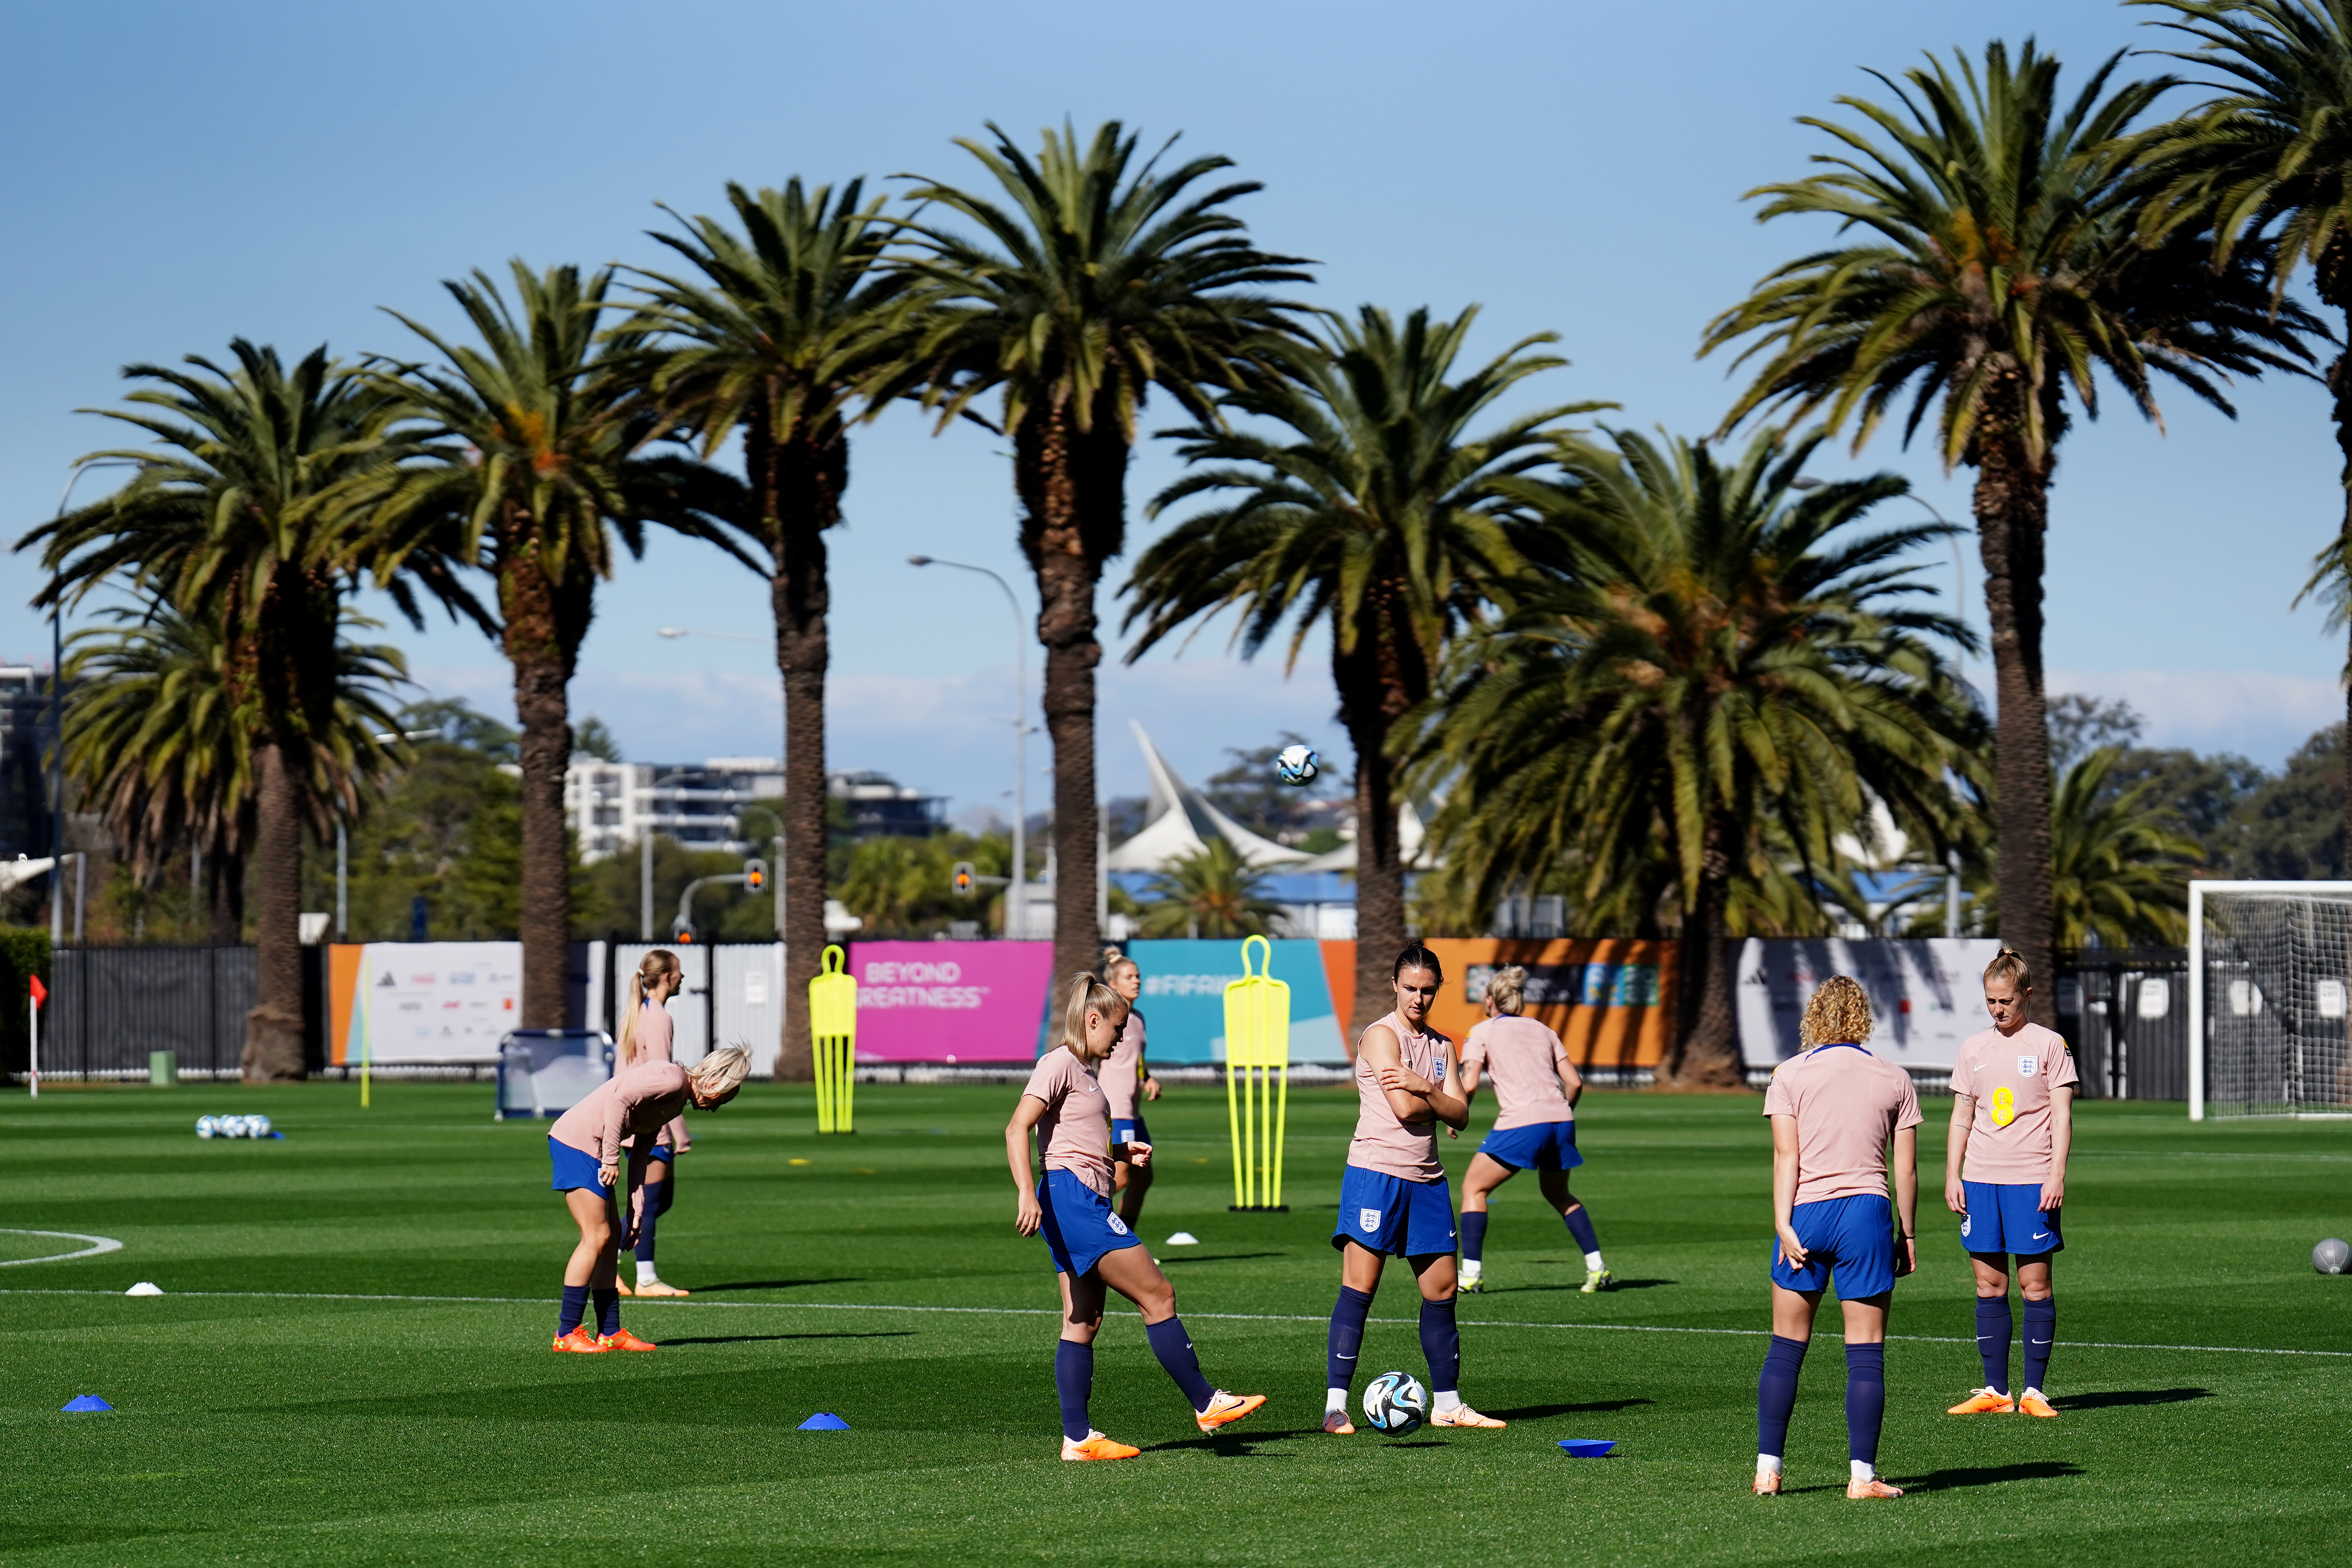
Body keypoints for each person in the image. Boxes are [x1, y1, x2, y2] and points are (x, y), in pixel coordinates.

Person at [1006, 972, 1266, 1460]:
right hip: (1072, 1199)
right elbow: (1017, 1127)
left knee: (1083, 1320)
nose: (1123, 1037)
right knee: (1158, 1293)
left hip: (1080, 1196)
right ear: (1092, 1019)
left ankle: (1078, 1439)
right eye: (1117, 1027)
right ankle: (1207, 1403)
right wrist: (1026, 1193)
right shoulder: (1059, 1062)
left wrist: (1119, 1148)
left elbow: (1072, 1135)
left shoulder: (1085, 1072)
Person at [1323, 943, 1506, 1435]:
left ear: (1438, 989)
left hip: (1426, 1179)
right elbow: (1405, 1111)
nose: (1419, 999)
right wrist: (1438, 1097)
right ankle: (1334, 1406)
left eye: (1428, 990)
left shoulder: (1443, 1045)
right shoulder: (1380, 1037)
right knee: (1360, 1287)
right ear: (1395, 986)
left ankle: (1447, 1404)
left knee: (1442, 1289)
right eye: (1410, 989)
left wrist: (1425, 1087)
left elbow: (1462, 1116)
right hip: (1375, 1174)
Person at [1753, 975, 1920, 1500]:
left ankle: (1767, 1470)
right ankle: (1862, 1476)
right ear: (1863, 1017)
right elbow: (1907, 1169)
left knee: (1785, 1349)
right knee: (1865, 1354)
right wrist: (1906, 1232)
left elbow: (1787, 1155)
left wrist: (1782, 1223)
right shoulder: (1893, 1076)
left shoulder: (1788, 1074)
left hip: (1803, 1214)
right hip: (1866, 1216)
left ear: (1814, 1015)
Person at [546, 1043, 751, 1353]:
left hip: (594, 1148)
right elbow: (619, 1100)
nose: (719, 1105)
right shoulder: (672, 1079)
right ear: (715, 1082)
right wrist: (612, 1159)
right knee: (597, 1235)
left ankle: (610, 1331)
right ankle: (566, 1333)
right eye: (725, 1096)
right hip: (578, 1143)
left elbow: (642, 1150)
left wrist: (636, 1208)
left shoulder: (676, 1099)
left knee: (612, 1233)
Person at [1944, 948, 2077, 1420]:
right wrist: (1952, 1175)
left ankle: (2034, 1391)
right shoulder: (1972, 1049)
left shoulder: (2049, 1045)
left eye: (2006, 1000)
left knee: (2034, 1285)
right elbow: (1961, 1116)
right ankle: (1995, 1389)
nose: (1998, 1009)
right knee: (1988, 1284)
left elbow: (2061, 1117)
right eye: (1990, 1001)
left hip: (2030, 1180)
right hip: (1980, 1179)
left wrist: (2055, 1174)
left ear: (2027, 995)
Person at [1457, 965, 1611, 1295]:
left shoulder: (1481, 1031)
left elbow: (1469, 1085)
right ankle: (1597, 1268)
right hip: (1561, 1120)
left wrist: (1456, 1116)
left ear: (1489, 1001)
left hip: (1524, 1121)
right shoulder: (1544, 1030)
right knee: (1559, 1194)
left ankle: (1470, 1275)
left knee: (1474, 1188)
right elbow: (1574, 1082)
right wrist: (1561, 1112)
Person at [614, 949, 692, 1299]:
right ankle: (643, 1277)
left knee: (659, 1202)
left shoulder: (635, 1012)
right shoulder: (658, 1017)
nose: (683, 977)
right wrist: (680, 1132)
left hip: (633, 1117)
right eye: (679, 971)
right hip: (651, 1123)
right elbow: (665, 1079)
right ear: (667, 977)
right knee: (650, 1202)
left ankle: (613, 1264)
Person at [1100, 947, 1162, 1228]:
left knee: (1143, 1177)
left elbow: (1135, 1059)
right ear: (1113, 984)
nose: (1137, 981)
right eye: (1129, 977)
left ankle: (1126, 1242)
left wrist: (1147, 1077)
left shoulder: (1137, 1017)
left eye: (1138, 976)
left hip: (1133, 1111)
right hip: (1116, 1107)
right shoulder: (1107, 1017)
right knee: (1121, 1176)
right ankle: (1082, 1222)